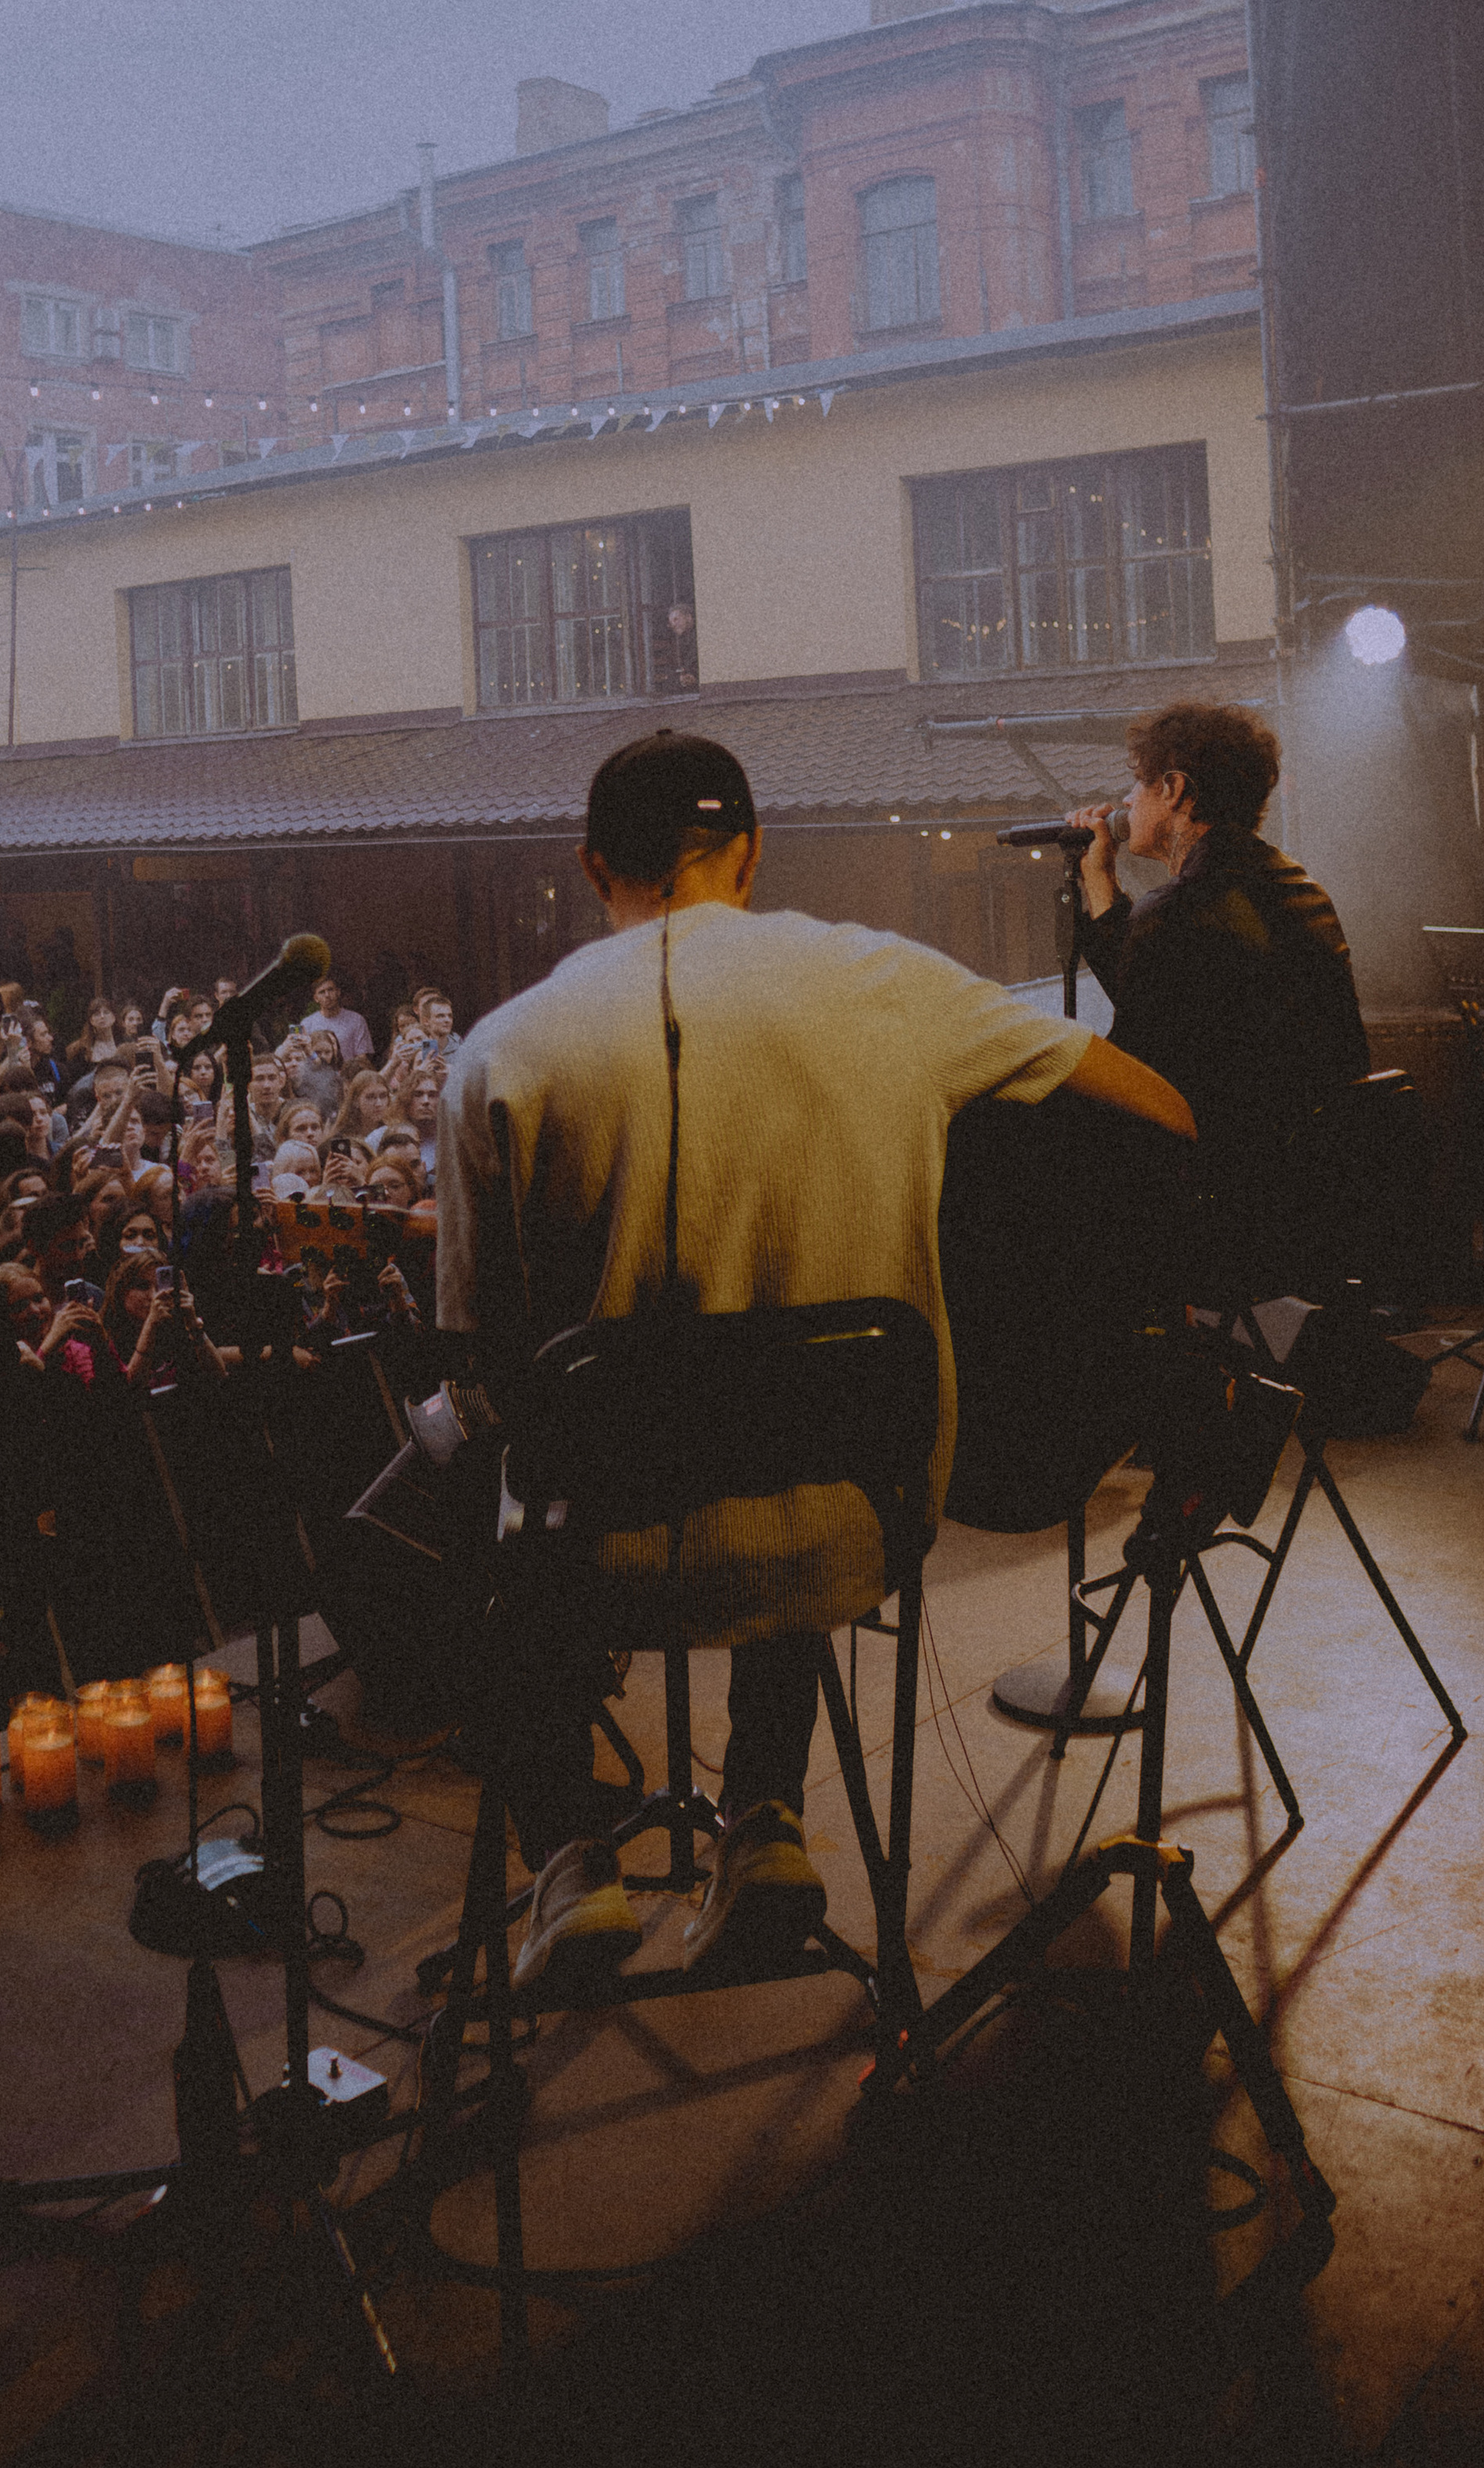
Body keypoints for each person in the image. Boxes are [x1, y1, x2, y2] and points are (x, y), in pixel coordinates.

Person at [437, 727, 1194, 1994]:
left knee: (486, 1463)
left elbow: (482, 1354)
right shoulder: (896, 985)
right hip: (849, 1531)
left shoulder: (502, 1052)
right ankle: (765, 1821)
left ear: (590, 867)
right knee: (787, 1407)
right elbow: (1161, 1113)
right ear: (750, 853)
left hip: (595, 1558)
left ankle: (569, 1855)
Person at [1068, 700, 1370, 1298]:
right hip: (1324, 1181)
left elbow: (1138, 1070)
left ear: (1175, 790)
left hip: (1231, 1196)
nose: (1127, 801)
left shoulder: (1179, 910)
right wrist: (1099, 879)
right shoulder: (1298, 886)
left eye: (1139, 784)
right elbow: (1149, 978)